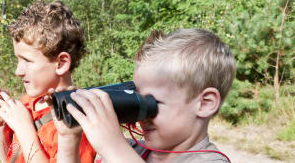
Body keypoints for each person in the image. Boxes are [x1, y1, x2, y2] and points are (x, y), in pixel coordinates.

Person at [57, 29, 236, 163]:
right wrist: (68, 139)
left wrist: (113, 147)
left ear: (205, 103)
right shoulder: (132, 151)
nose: (142, 116)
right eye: (137, 99)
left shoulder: (210, 160)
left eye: (151, 103)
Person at [0, 1, 96, 163]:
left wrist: (23, 128)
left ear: (61, 63)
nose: (18, 71)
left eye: (27, 61)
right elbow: (9, 159)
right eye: (18, 60)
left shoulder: (76, 120)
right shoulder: (27, 103)